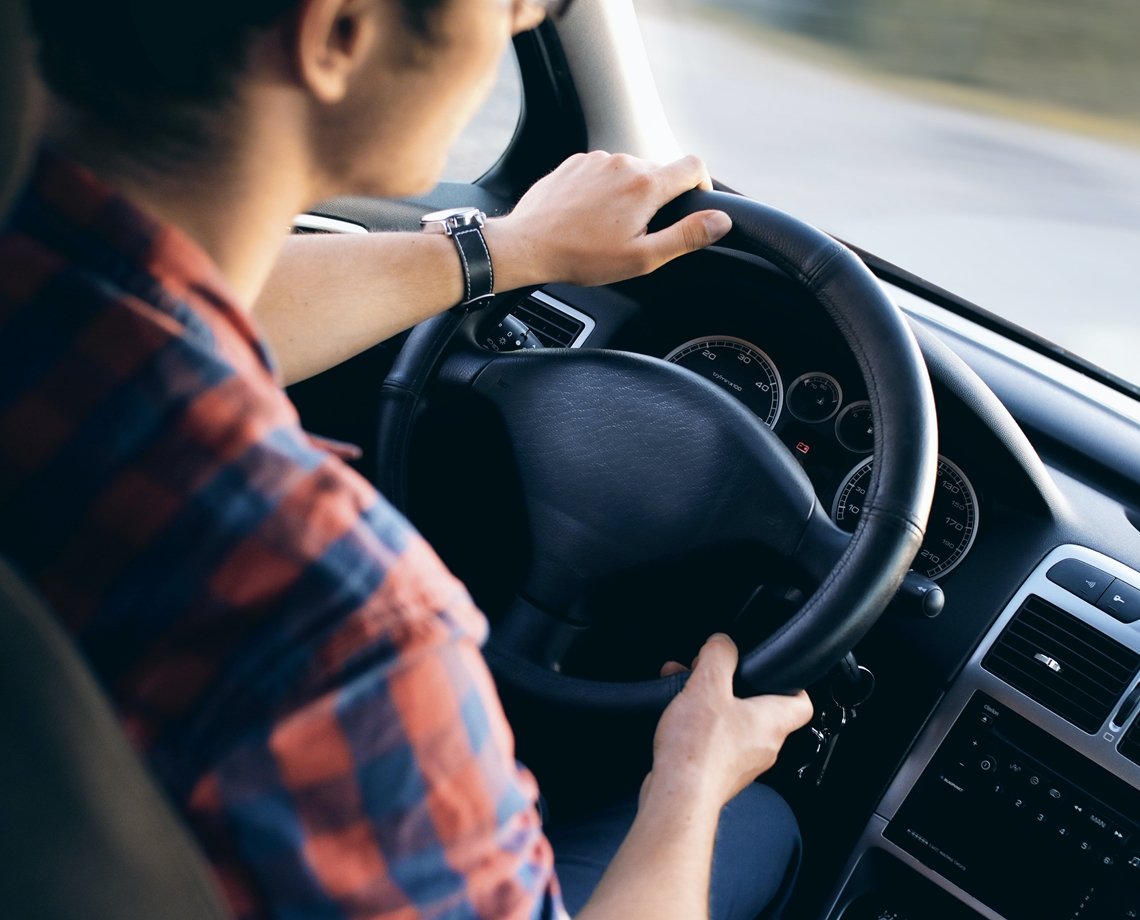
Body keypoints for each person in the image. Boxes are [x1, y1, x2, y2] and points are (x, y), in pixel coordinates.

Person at [0, 1, 814, 918]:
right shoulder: (337, 625)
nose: (523, 16)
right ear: (337, 32)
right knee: (758, 824)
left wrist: (512, 248)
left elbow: (182, 308)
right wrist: (690, 780)